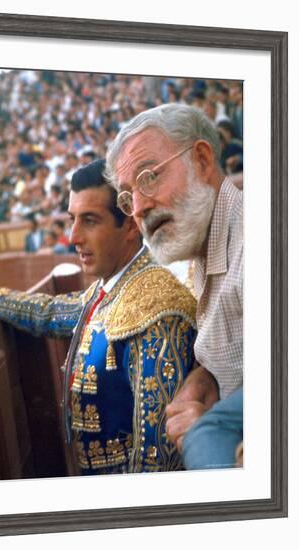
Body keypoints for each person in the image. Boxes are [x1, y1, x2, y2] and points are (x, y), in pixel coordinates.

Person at [0, 159, 197, 475]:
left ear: (132, 224)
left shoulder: (156, 310)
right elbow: (48, 312)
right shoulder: (114, 287)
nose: (74, 236)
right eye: (72, 219)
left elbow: (157, 459)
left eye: (90, 221)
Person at [106, 103, 243, 466]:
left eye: (149, 176)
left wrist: (220, 433)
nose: (137, 207)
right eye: (126, 195)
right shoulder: (197, 252)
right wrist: (207, 375)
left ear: (201, 159)